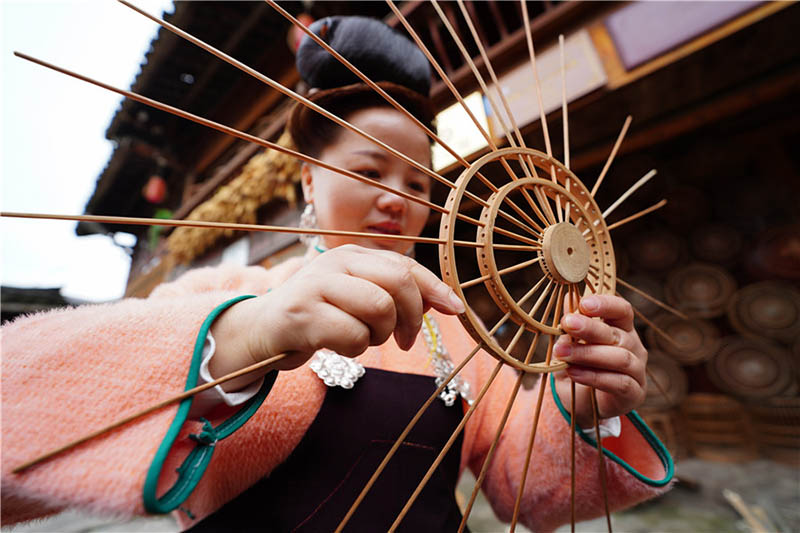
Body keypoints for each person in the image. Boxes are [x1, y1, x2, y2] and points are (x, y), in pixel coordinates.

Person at [1, 16, 672, 532]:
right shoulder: (229, 297)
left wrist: (580, 410)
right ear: (307, 180)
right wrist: (246, 339)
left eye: (418, 181)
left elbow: (525, 490)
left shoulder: (453, 328)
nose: (396, 199)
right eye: (368, 170)